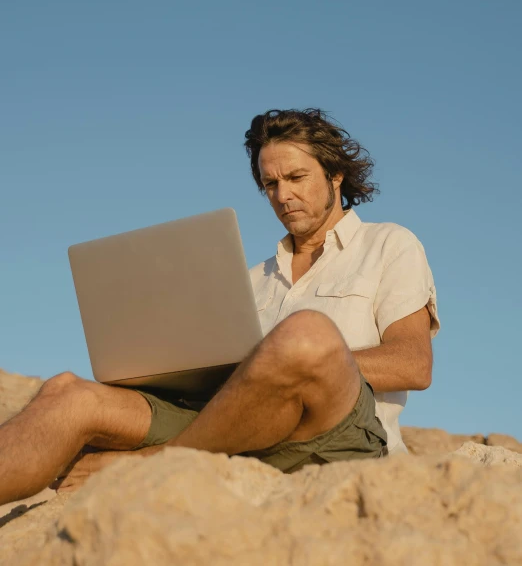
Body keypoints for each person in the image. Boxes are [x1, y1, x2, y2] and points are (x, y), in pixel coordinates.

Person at [0, 108, 438, 505]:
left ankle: (158, 460)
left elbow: (413, 364)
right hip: (234, 431)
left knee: (306, 335)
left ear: (335, 175)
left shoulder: (389, 244)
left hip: (335, 437)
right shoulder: (250, 279)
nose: (282, 196)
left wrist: (289, 363)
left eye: (297, 178)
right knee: (66, 393)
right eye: (270, 184)